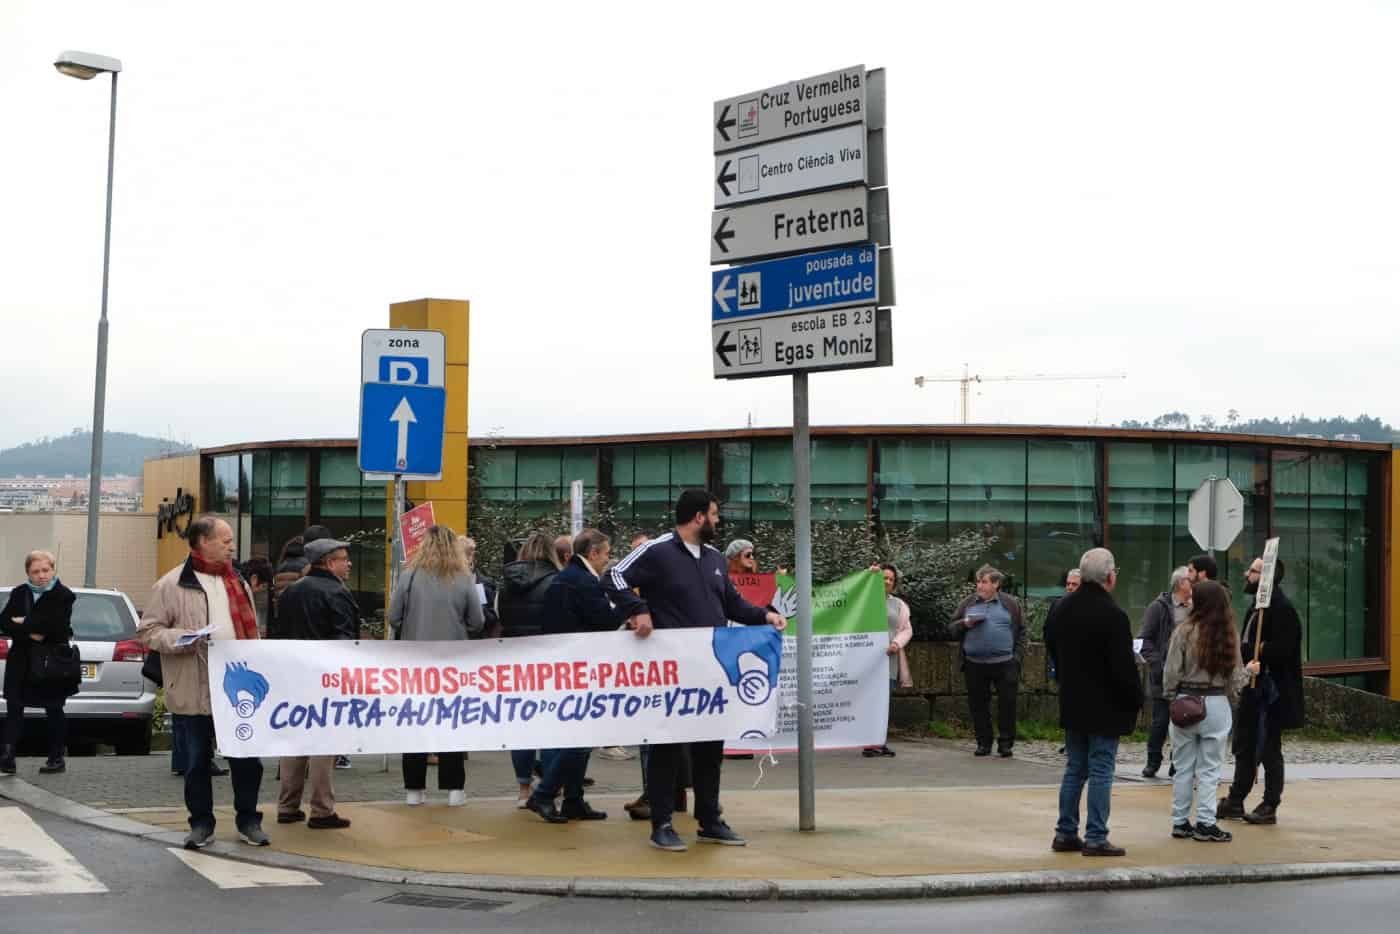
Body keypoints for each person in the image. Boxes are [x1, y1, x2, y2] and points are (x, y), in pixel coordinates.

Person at [603, 489, 788, 853]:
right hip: (672, 669)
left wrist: (764, 615)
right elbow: (614, 577)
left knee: (709, 747)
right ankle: (662, 824)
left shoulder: (716, 559)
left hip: (710, 669)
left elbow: (732, 602)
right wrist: (637, 609)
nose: (718, 522)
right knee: (667, 747)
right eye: (715, 515)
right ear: (699, 517)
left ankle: (709, 820)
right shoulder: (657, 550)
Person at [137, 516, 268, 850]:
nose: (232, 545)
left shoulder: (237, 581)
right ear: (202, 543)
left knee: (247, 758)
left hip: (235, 686)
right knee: (196, 761)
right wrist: (183, 638)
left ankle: (249, 820)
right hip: (192, 685)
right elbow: (148, 631)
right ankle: (201, 825)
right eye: (225, 539)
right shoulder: (171, 585)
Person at [1046, 548, 1143, 857]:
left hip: (1073, 699)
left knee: (1075, 768)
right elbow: (1123, 667)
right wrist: (1135, 699)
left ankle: (1065, 832)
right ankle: (1096, 836)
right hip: (1105, 704)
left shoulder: (1061, 609)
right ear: (1110, 577)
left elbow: (1052, 647)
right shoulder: (1113, 615)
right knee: (1101, 769)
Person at [524, 528, 623, 823]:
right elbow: (604, 621)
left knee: (579, 736)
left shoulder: (567, 578)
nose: (607, 560)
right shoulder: (583, 582)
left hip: (567, 664)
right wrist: (627, 608)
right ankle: (544, 795)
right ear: (592, 553)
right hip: (580, 667)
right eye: (605, 554)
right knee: (580, 738)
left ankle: (573, 799)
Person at [389, 525, 484, 806]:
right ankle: (455, 789)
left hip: (415, 662)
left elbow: (394, 617)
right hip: (453, 664)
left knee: (416, 724)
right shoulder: (464, 578)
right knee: (452, 723)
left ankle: (414, 790)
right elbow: (477, 621)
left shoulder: (410, 576)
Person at [273, 537, 360, 829]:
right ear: (328, 562)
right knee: (325, 741)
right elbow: (344, 638)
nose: (348, 564)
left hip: (293, 673)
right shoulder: (337, 592)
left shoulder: (290, 592)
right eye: (343, 558)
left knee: (295, 737)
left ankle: (287, 806)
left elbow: (277, 635)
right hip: (326, 677)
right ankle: (322, 810)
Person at [1218, 557, 1305, 826]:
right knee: (1244, 745)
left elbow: (1284, 650)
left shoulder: (1281, 609)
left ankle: (1270, 803)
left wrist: (1261, 650)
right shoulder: (1259, 606)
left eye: (1253, 571)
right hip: (1252, 690)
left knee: (1268, 748)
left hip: (1271, 693)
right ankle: (1236, 798)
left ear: (1265, 577)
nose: (1247, 574)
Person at [1163, 580, 1249, 842]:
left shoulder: (1183, 631)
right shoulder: (1228, 634)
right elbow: (1236, 678)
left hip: (1185, 700)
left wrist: (1171, 698)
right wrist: (1248, 675)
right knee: (1210, 768)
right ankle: (1205, 822)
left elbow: (1170, 672)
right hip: (1215, 704)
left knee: (1183, 766)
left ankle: (1179, 821)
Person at [498, 531, 564, 807]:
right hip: (548, 662)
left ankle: (523, 789)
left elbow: (500, 617)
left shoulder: (507, 584)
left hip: (516, 662)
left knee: (520, 727)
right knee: (549, 726)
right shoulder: (557, 582)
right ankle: (547, 788)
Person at [0, 550, 77, 776]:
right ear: (28, 573)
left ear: (53, 570)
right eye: (36, 571)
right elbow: (4, 622)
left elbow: (57, 627)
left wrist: (24, 623)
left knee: (53, 707)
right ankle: (7, 756)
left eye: (46, 570)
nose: (41, 575)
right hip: (21, 660)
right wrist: (32, 630)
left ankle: (56, 757)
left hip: (49, 661)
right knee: (14, 706)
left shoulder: (64, 595)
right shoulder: (19, 593)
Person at [947, 565, 1025, 757]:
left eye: (984, 582)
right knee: (978, 705)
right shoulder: (968, 603)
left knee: (1007, 704)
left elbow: (1022, 631)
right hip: (974, 663)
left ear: (996, 584)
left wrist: (1017, 658)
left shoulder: (1011, 604)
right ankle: (983, 743)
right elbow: (951, 628)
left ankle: (1005, 744)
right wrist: (965, 623)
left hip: (1005, 662)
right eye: (978, 581)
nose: (979, 585)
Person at [1139, 566, 1192, 778]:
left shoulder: (1195, 608)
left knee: (1184, 721)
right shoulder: (1159, 607)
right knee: (1161, 720)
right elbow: (1144, 639)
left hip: (1188, 676)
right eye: (1190, 580)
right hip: (1163, 675)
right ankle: (1153, 760)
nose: (1193, 584)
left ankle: (1177, 762)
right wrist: (1158, 664)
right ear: (1180, 584)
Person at [863, 563, 912, 758]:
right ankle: (869, 742)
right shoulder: (863, 600)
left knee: (884, 702)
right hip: (865, 660)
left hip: (888, 660)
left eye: (891, 579)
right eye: (884, 578)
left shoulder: (898, 604)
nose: (888, 582)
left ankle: (879, 742)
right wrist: (868, 573)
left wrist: (897, 644)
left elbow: (907, 629)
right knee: (868, 701)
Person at [1043, 569, 1081, 684]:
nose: (1069, 587)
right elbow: (1047, 632)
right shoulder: (1056, 605)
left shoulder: (1092, 608)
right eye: (1068, 584)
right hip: (1060, 664)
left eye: (1074, 584)